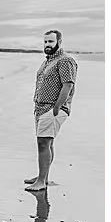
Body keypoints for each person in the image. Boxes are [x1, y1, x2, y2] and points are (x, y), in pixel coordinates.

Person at [26, 28, 77, 193]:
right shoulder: (48, 61)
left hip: (52, 109)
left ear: (59, 42)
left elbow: (68, 85)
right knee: (47, 143)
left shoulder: (65, 60)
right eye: (45, 41)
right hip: (41, 108)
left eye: (51, 41)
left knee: (43, 144)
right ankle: (43, 176)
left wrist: (57, 108)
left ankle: (41, 181)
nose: (47, 44)